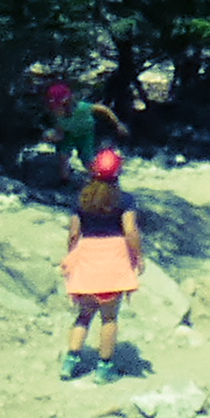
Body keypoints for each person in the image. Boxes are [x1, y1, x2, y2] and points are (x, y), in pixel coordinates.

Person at [60, 146, 145, 379]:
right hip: (114, 257)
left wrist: (72, 257)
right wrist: (138, 256)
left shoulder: (82, 199)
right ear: (118, 172)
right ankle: (104, 368)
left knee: (84, 315)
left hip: (88, 253)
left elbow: (74, 234)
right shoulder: (125, 200)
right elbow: (130, 231)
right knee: (109, 317)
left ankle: (69, 362)